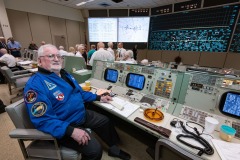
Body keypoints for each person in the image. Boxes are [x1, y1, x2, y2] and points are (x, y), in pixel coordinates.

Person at [23, 44, 130, 160]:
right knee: (95, 151)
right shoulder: (35, 86)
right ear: (39, 61)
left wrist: (99, 98)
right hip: (64, 125)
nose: (56, 59)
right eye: (50, 56)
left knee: (105, 121)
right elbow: (43, 120)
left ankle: (113, 149)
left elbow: (80, 93)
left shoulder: (64, 74)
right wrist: (71, 131)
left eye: (58, 56)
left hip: (79, 114)